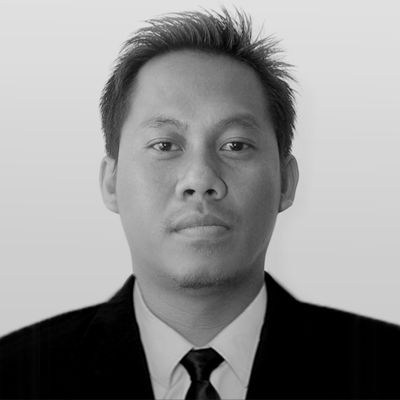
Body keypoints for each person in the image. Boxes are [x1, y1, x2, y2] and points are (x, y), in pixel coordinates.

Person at [0, 8, 399, 400]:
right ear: (110, 182)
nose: (200, 179)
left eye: (235, 145)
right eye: (165, 145)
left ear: (286, 181)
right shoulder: (17, 374)